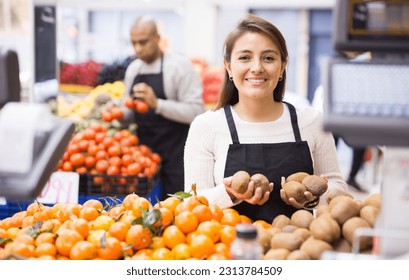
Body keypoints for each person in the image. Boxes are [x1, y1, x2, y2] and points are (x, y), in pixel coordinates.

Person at [184, 14, 348, 223]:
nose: (257, 67)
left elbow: (338, 188)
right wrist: (230, 194)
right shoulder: (206, 126)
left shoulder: (312, 121)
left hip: (299, 248)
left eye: (268, 58)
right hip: (227, 249)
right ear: (228, 67)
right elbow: (190, 203)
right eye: (245, 57)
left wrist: (312, 199)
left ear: (282, 66)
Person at [123, 16, 205, 200]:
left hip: (176, 155)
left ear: (157, 38)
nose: (138, 49)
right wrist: (114, 110)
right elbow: (128, 114)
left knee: (176, 209)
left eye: (143, 42)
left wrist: (157, 104)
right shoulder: (133, 70)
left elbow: (196, 112)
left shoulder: (179, 67)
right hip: (143, 160)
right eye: (134, 43)